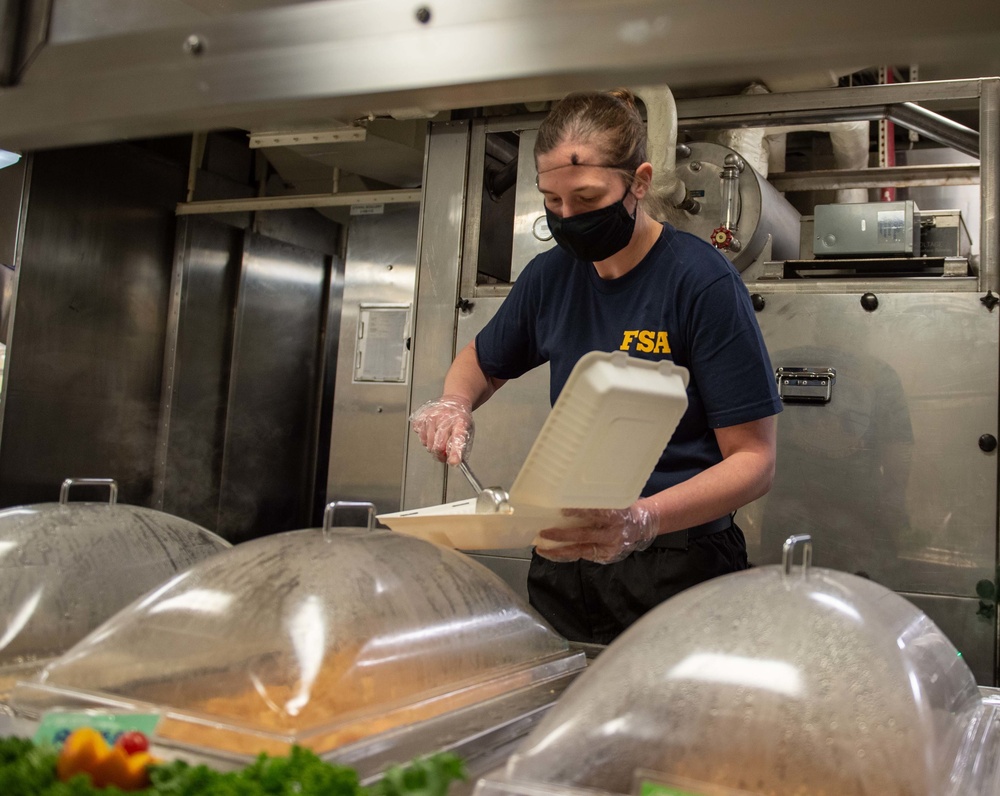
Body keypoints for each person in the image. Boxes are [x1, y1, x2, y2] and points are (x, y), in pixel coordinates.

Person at [411, 89, 782, 645]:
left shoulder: (699, 283)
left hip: (676, 560)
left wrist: (642, 519)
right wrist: (454, 402)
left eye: (586, 198)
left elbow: (754, 460)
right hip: (566, 557)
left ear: (638, 181)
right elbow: (481, 362)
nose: (568, 218)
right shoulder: (549, 278)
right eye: (553, 202)